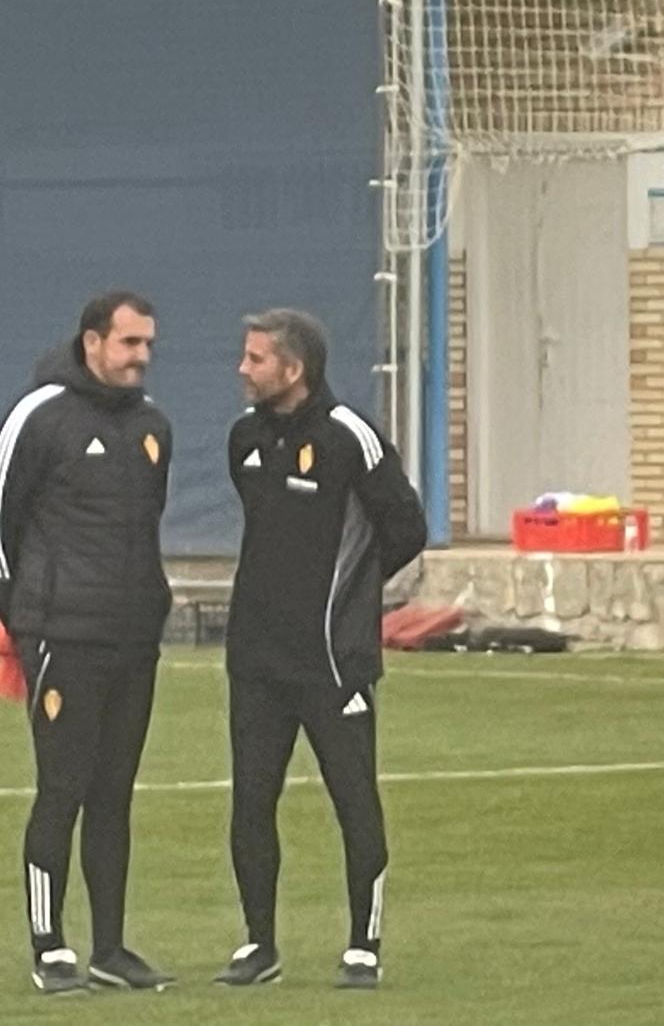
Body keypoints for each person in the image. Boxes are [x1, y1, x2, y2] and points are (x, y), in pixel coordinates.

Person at [0, 291, 175, 994]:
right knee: (62, 789)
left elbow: (146, 528)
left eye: (148, 344)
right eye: (129, 343)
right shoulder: (38, 415)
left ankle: (110, 949)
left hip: (133, 641)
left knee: (114, 794)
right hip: (61, 637)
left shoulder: (153, 425)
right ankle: (50, 946)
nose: (142, 356)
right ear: (92, 341)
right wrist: (29, 621)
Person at [215, 309, 426, 991]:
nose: (243, 369)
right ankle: (258, 945)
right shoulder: (244, 438)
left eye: (255, 359)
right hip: (256, 658)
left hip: (333, 659)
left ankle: (363, 945)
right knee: (251, 801)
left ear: (293, 368)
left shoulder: (348, 437)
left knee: (353, 798)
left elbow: (406, 529)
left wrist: (348, 596)